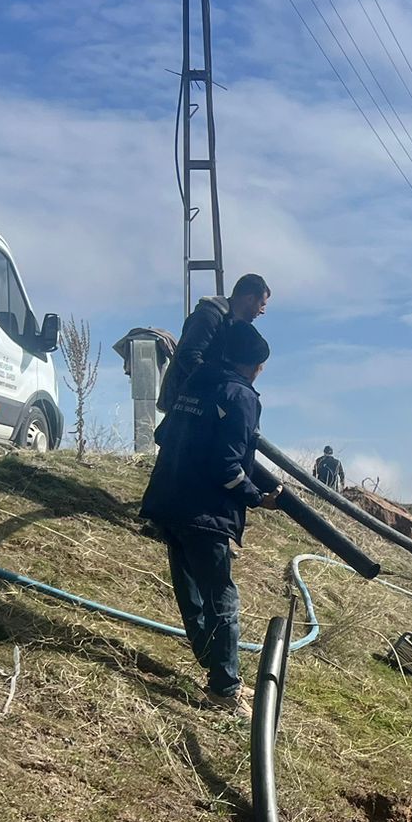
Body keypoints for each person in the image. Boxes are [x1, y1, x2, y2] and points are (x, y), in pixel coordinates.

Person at [140, 320, 282, 710]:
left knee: (190, 592)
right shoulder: (241, 396)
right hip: (206, 512)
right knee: (221, 597)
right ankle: (224, 689)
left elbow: (163, 435)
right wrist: (258, 498)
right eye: (261, 365)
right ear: (253, 364)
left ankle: (216, 668)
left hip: (169, 500)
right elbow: (228, 466)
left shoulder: (195, 383)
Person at [157, 272, 271, 411]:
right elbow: (187, 355)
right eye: (261, 304)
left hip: (201, 403)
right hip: (185, 405)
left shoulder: (229, 323)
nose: (262, 311)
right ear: (250, 299)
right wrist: (220, 384)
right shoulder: (209, 316)